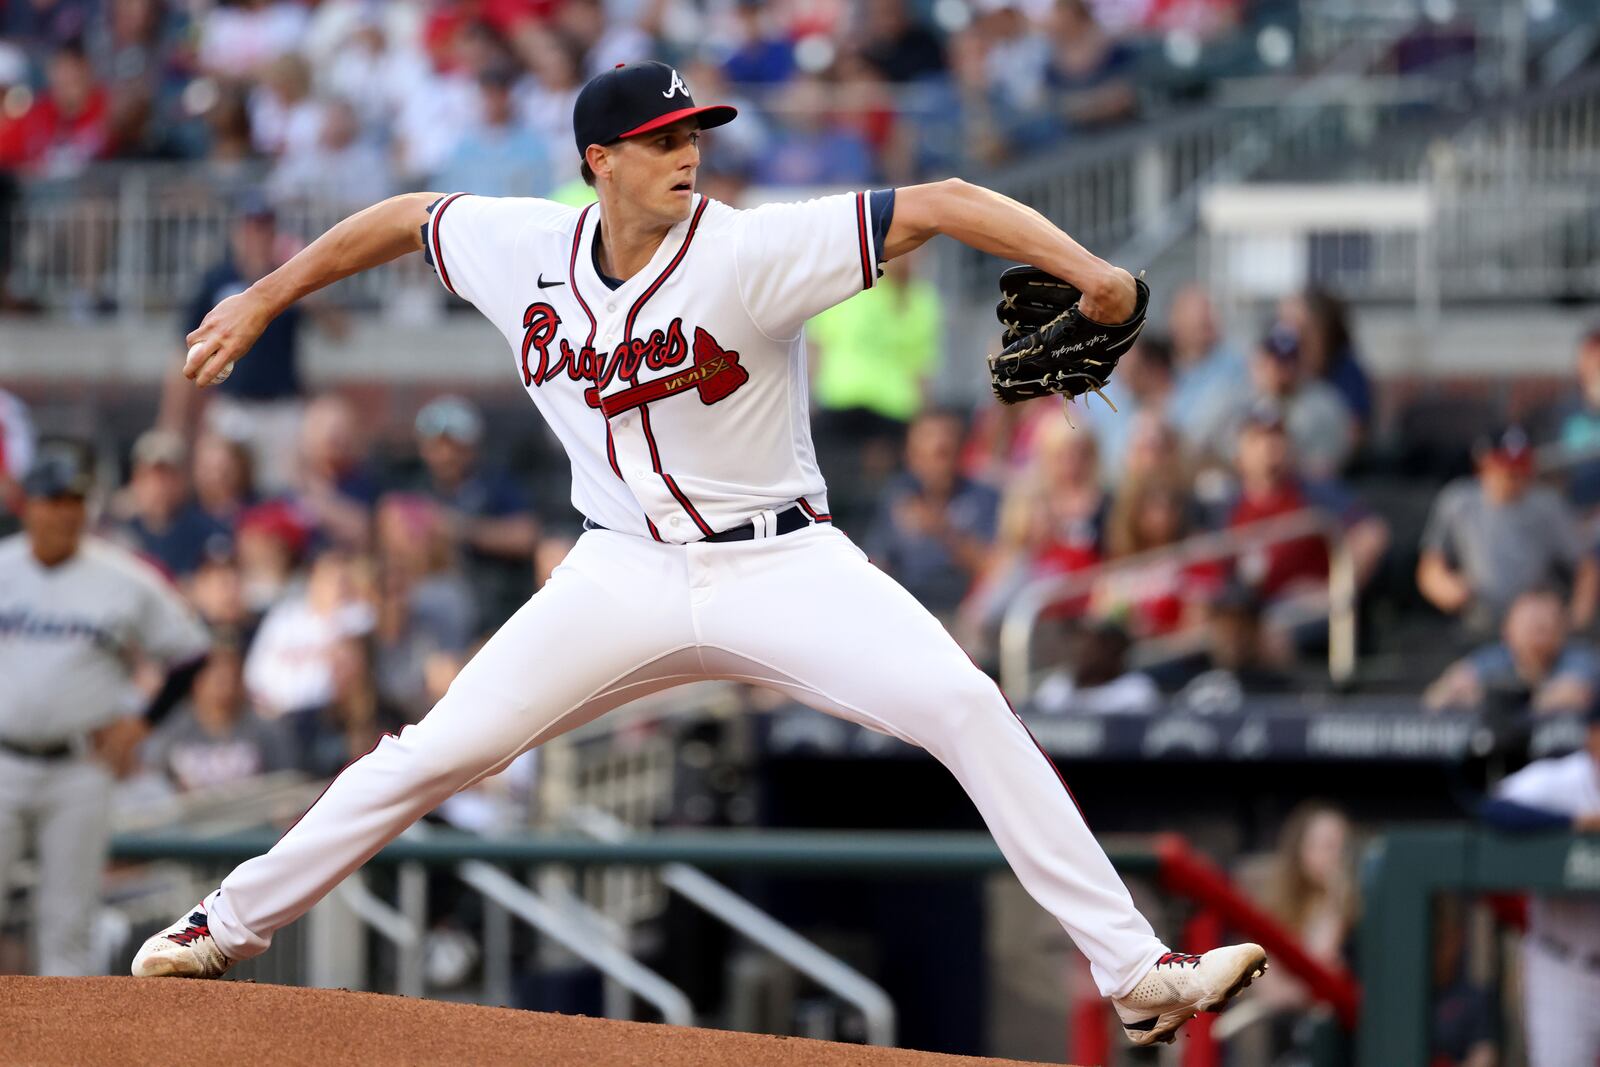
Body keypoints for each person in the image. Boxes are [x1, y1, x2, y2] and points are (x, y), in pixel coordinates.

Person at [135, 60, 1265, 1046]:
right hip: (618, 569)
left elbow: (944, 200)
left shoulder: (751, 250)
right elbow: (399, 218)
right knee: (438, 750)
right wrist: (265, 295)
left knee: (966, 708)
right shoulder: (523, 246)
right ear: (599, 162)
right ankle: (219, 923)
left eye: (693, 136)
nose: (687, 156)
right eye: (661, 141)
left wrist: (1102, 278)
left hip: (781, 562)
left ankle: (1133, 971)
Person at [0, 446, 210, 975]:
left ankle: (58, 1054)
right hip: (3, 761)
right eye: (54, 499)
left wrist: (140, 723)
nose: (66, 512)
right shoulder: (4, 567)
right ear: (30, 506)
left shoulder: (122, 578)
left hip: (80, 767)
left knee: (67, 925)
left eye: (75, 500)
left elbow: (191, 653)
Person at [1479, 705, 1600, 1067]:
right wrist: (1572, 821)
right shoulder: (1564, 778)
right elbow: (1494, 809)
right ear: (1592, 736)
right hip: (1561, 961)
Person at [162, 196, 307, 494]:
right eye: (250, 228)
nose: (256, 236)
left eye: (263, 228)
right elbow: (185, 347)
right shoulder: (218, 279)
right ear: (237, 233)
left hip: (281, 406)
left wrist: (304, 275)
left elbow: (340, 331)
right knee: (221, 489)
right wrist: (172, 420)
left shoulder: (287, 276)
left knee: (282, 491)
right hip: (232, 403)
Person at [1418, 426, 1598, 638]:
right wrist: (1449, 589)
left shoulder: (1546, 504)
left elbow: (1586, 567)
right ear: (1484, 464)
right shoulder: (1458, 501)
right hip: (1479, 623)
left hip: (1535, 626)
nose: (1517, 478)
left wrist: (1576, 619)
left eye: (1522, 470)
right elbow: (1430, 568)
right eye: (1508, 471)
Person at [410, 395, 539, 630]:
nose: (444, 455)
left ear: (471, 448)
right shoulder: (414, 484)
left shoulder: (495, 483)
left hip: (486, 597)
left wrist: (461, 529)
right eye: (435, 446)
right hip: (426, 596)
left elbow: (525, 535)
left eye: (452, 446)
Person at [864, 409, 1000, 621]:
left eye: (944, 453)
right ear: (911, 457)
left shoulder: (984, 496)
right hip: (910, 610)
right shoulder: (898, 496)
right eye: (924, 454)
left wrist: (941, 530)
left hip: (965, 612)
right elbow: (877, 560)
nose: (936, 464)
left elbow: (995, 568)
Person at [141, 642, 295, 793]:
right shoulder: (171, 731)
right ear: (196, 682)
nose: (225, 687)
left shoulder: (266, 730)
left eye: (231, 677)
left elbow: (285, 784)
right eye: (217, 679)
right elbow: (152, 780)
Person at [1424, 588, 1600, 715]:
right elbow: (1436, 697)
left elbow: (1572, 696)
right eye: (1528, 624)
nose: (1537, 633)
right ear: (1507, 630)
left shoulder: (1581, 658)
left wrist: (1495, 701)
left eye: (1544, 625)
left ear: (1562, 631)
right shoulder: (1495, 657)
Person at [111, 429, 231, 579]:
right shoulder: (119, 533)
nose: (158, 487)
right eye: (149, 477)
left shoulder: (210, 532)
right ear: (135, 480)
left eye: (167, 477)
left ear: (184, 479)